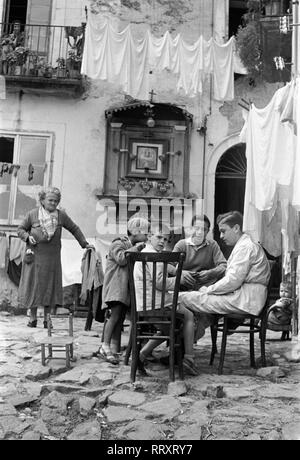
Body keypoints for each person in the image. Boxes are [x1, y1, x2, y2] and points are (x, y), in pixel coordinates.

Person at [17, 187, 94, 328]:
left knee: (49, 288)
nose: (53, 203)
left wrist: (85, 244)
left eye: (56, 201)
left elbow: (74, 229)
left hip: (52, 258)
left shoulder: (61, 216)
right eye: (50, 200)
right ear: (42, 201)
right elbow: (20, 229)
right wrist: (27, 237)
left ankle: (47, 320)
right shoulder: (32, 215)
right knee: (34, 286)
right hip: (34, 256)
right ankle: (32, 319)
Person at [179, 211, 271, 325]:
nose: (221, 236)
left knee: (180, 298)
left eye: (223, 231)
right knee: (192, 297)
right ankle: (189, 332)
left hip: (244, 300)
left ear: (236, 228)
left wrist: (209, 289)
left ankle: (181, 336)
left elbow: (233, 280)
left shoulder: (245, 247)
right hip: (245, 297)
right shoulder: (246, 244)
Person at [134, 224, 199, 376]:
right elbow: (160, 282)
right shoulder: (155, 257)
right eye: (159, 237)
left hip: (143, 305)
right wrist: (179, 279)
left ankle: (141, 355)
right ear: (149, 236)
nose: (162, 241)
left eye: (166, 239)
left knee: (166, 329)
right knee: (189, 315)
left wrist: (176, 271)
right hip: (157, 304)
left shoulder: (146, 253)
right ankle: (189, 358)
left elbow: (163, 268)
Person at [97, 216, 149, 365]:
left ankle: (114, 348)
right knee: (115, 316)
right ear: (135, 232)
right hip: (116, 287)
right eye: (145, 234)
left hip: (125, 289)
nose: (146, 237)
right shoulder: (118, 243)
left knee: (119, 318)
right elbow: (121, 259)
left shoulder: (131, 244)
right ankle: (104, 346)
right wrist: (137, 248)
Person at [172, 214, 227, 290]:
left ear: (208, 231)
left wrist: (210, 273)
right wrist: (180, 272)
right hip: (184, 286)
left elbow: (224, 265)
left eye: (204, 229)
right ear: (191, 229)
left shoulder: (212, 245)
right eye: (197, 228)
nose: (200, 232)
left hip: (206, 286)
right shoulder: (182, 245)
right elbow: (168, 265)